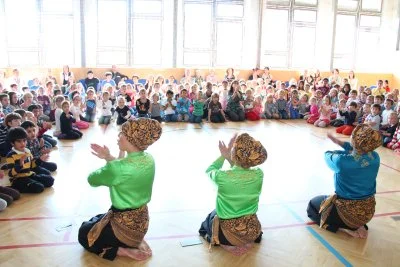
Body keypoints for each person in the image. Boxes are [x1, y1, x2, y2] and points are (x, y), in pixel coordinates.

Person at [78, 118, 162, 261]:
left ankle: (122, 250)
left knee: (84, 232)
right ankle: (135, 241)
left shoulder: (118, 169)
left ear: (131, 139)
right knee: (98, 218)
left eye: (122, 133)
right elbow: (123, 169)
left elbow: (92, 179)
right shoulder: (149, 159)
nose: (118, 136)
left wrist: (108, 160)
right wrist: (109, 157)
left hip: (123, 227)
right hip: (142, 221)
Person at [307, 124, 381, 238]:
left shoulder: (342, 162)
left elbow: (328, 154)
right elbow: (358, 153)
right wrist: (339, 142)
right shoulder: (375, 157)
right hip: (368, 211)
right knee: (325, 200)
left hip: (347, 211)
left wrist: (341, 149)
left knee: (312, 206)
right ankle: (358, 225)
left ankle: (344, 228)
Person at [199, 133, 267, 255]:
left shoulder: (222, 176)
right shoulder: (259, 174)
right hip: (252, 230)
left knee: (208, 221)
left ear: (234, 154)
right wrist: (230, 157)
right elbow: (242, 170)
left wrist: (223, 156)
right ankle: (245, 241)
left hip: (227, 234)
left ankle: (221, 241)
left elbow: (210, 170)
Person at [6, 127, 54, 193]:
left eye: (24, 140)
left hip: (29, 175)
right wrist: (20, 164)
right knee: (39, 187)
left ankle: (31, 183)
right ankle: (16, 187)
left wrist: (40, 160)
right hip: (19, 179)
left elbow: (32, 166)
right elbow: (10, 174)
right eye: (19, 141)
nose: (22, 143)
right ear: (12, 143)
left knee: (50, 180)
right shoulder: (11, 155)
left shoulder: (27, 151)